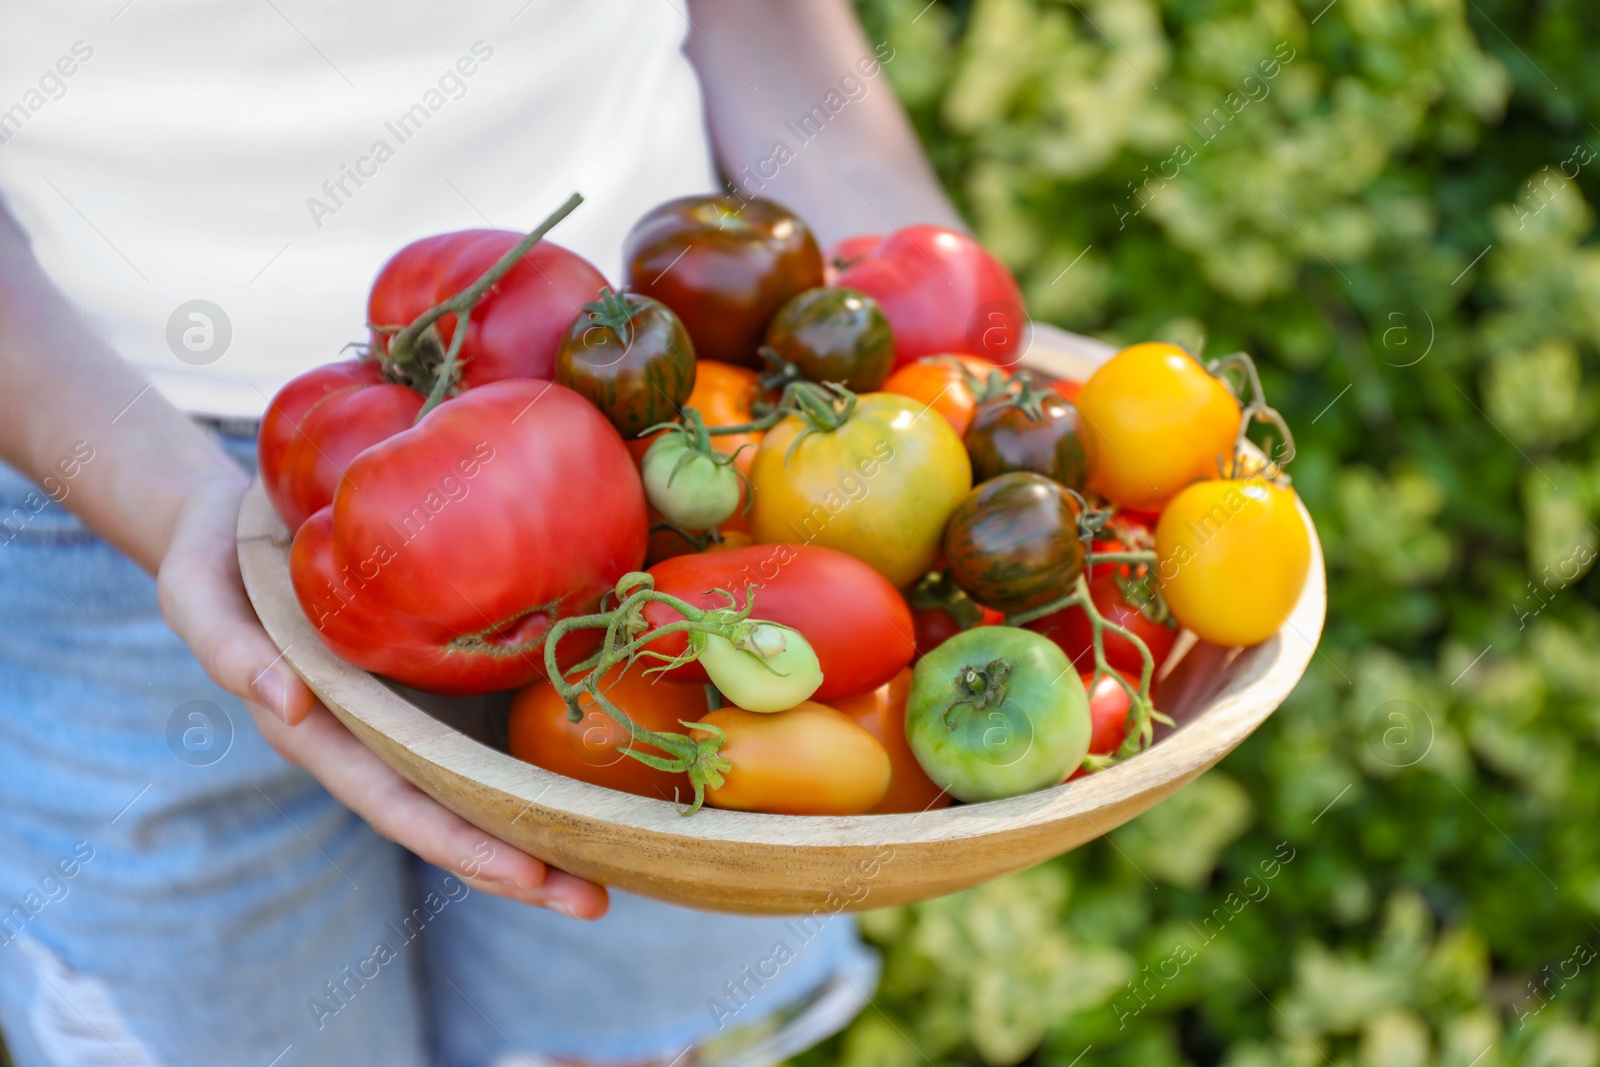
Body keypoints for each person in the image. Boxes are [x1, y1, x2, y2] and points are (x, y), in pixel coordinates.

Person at [0, 1, 963, 1064]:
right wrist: (169, 502)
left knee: (614, 1040)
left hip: (674, 429)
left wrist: (934, 308)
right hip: (101, 461)